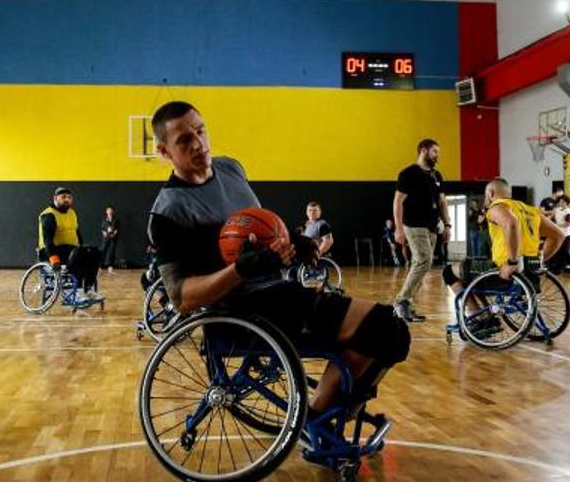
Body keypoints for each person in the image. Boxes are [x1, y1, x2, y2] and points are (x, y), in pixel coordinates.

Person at [147, 101, 410, 415]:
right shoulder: (168, 212)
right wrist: (240, 270)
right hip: (241, 314)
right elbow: (182, 299)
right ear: (164, 152)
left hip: (280, 295)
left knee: (393, 334)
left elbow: (258, 228)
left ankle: (331, 414)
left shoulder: (231, 168)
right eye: (184, 140)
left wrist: (293, 242)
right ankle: (316, 418)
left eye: (200, 131)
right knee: (382, 326)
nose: (198, 143)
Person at [441, 178, 566, 302]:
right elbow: (559, 235)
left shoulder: (497, 207)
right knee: (471, 271)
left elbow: (511, 224)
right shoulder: (531, 211)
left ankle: (477, 314)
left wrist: (512, 262)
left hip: (503, 272)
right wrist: (539, 261)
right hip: (530, 274)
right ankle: (485, 315)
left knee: (449, 272)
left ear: (490, 193)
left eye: (485, 195)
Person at [393, 139, 451, 322]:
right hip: (413, 224)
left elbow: (442, 202)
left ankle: (407, 306)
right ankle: (401, 301)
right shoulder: (408, 173)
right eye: (435, 152)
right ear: (423, 151)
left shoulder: (437, 175)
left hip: (432, 226)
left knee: (421, 264)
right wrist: (399, 228)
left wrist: (447, 225)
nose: (437, 155)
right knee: (424, 261)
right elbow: (398, 202)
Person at [38, 186, 101, 300]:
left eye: (69, 197)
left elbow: (77, 232)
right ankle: (77, 290)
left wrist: (84, 248)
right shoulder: (49, 215)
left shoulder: (72, 213)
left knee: (95, 252)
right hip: (51, 250)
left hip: (70, 249)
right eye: (63, 197)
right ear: (55, 198)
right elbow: (47, 240)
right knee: (78, 254)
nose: (66, 199)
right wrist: (53, 259)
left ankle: (88, 288)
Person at [547, 195, 570, 274]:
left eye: (563, 202)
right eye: (560, 201)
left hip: (566, 235)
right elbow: (550, 216)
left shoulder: (569, 212)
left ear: (567, 203)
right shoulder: (557, 209)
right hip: (558, 234)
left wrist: (556, 225)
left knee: (565, 253)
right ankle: (557, 270)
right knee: (558, 252)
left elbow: (568, 224)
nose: (561, 203)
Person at [100, 206, 120, 272]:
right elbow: (102, 229)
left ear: (113, 212)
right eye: (108, 210)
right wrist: (104, 233)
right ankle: (101, 265)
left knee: (112, 251)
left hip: (113, 237)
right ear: (106, 212)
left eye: (111, 210)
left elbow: (117, 229)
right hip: (106, 238)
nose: (110, 212)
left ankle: (110, 266)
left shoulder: (116, 220)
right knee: (103, 250)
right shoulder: (104, 219)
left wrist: (114, 234)